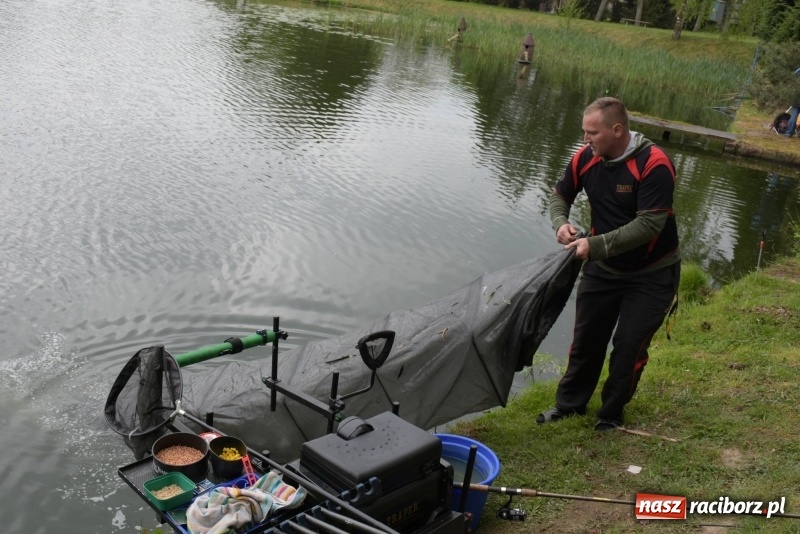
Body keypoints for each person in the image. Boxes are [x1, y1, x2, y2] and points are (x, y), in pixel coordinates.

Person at [537, 97, 681, 431]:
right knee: (586, 340)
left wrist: (594, 244)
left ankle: (611, 414)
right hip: (603, 268)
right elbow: (560, 195)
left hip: (652, 273)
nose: (586, 140)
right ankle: (569, 406)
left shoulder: (654, 163)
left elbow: (649, 226)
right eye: (584, 133)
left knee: (629, 347)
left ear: (617, 130)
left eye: (593, 133)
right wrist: (560, 222)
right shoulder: (585, 158)